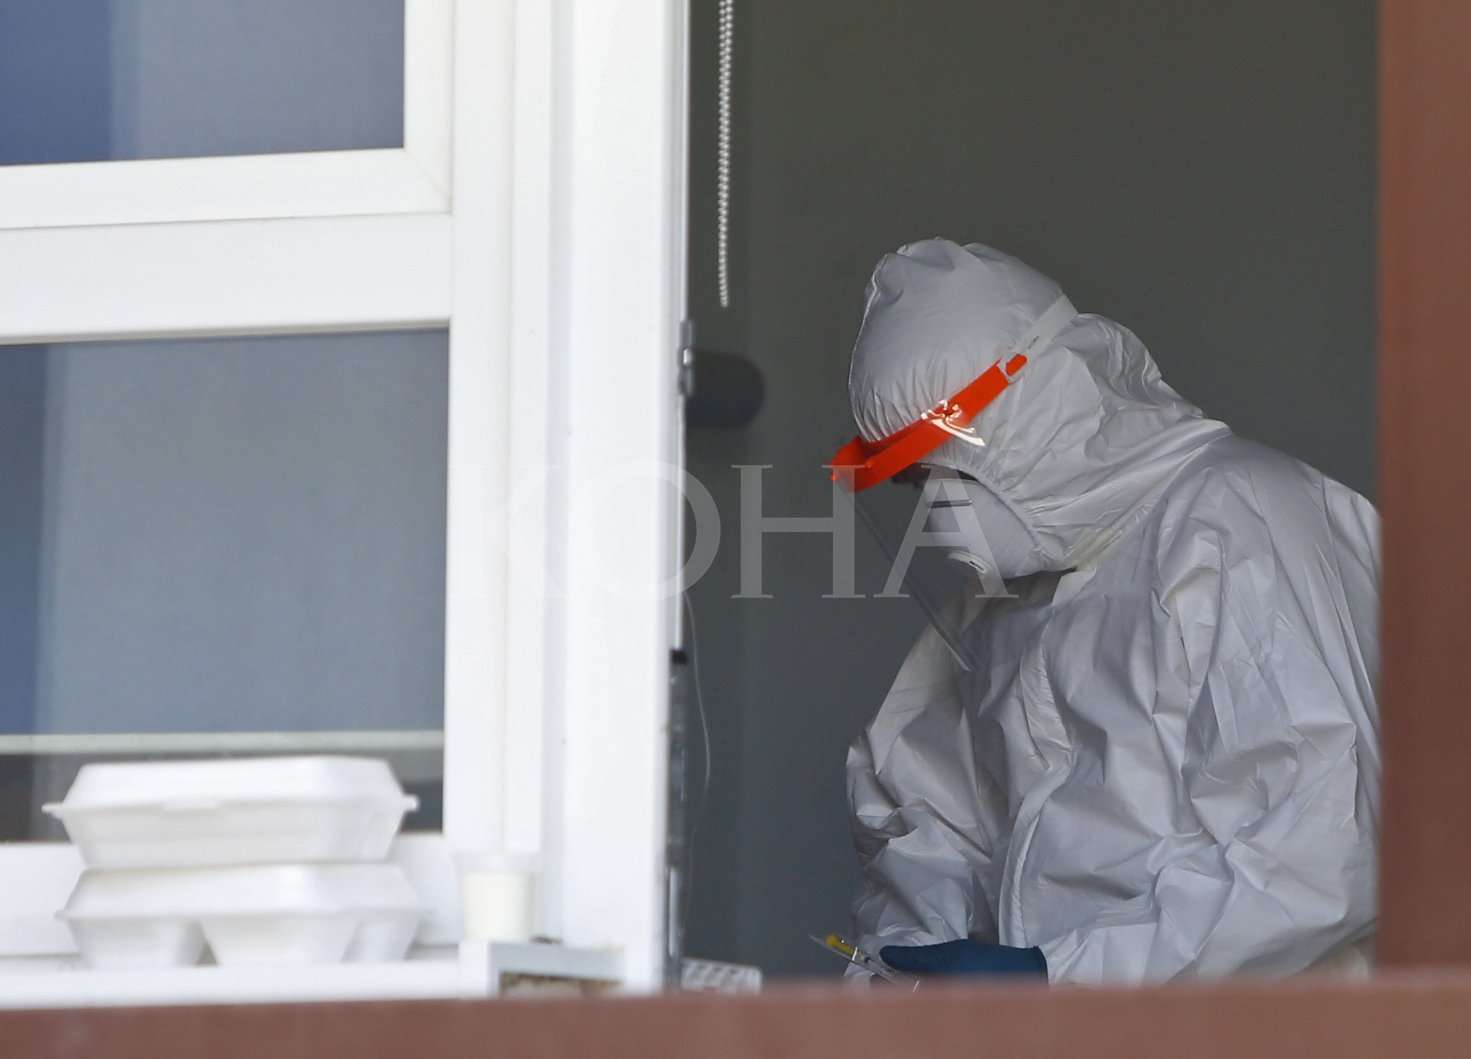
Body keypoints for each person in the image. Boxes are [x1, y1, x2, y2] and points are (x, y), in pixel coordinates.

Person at [833, 239, 1380, 983]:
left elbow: (1327, 847)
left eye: (942, 470)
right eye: (913, 482)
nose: (936, 509)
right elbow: (926, 807)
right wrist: (914, 945)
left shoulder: (1239, 521)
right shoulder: (996, 597)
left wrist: (1060, 975)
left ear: (1031, 415)